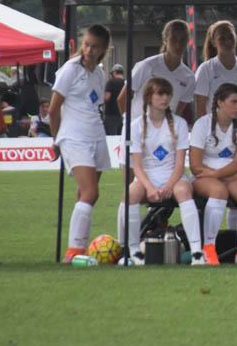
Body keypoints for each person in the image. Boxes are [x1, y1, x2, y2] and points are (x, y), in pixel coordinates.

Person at [119, 77, 203, 265]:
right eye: (160, 94)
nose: (165, 98)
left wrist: (168, 186)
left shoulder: (180, 123)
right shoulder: (135, 126)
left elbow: (180, 164)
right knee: (130, 193)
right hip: (147, 177)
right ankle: (131, 251)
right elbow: (137, 166)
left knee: (182, 191)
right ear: (149, 97)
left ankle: (197, 252)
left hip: (174, 177)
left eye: (168, 94)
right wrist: (149, 188)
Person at [50, 24, 112, 263]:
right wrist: (56, 140)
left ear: (103, 49)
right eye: (86, 44)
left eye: (94, 46)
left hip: (96, 134)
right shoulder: (69, 69)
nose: (88, 50)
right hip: (74, 136)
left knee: (86, 194)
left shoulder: (99, 72)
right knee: (90, 191)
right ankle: (73, 251)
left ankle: (80, 247)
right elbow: (54, 109)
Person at [188, 82, 237, 266]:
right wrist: (223, 176)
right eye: (234, 102)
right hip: (205, 177)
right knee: (219, 192)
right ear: (219, 102)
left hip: (223, 174)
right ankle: (209, 248)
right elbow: (196, 166)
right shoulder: (202, 124)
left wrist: (218, 174)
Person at [194, 20, 237, 121]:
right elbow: (200, 107)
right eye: (222, 38)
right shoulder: (205, 69)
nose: (227, 41)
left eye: (230, 37)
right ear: (214, 43)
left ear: (236, 38)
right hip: (214, 130)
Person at [103, 64, 125, 136]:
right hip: (123, 115)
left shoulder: (111, 82)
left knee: (111, 139)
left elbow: (107, 97)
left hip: (110, 115)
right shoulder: (126, 84)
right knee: (121, 137)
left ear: (114, 73)